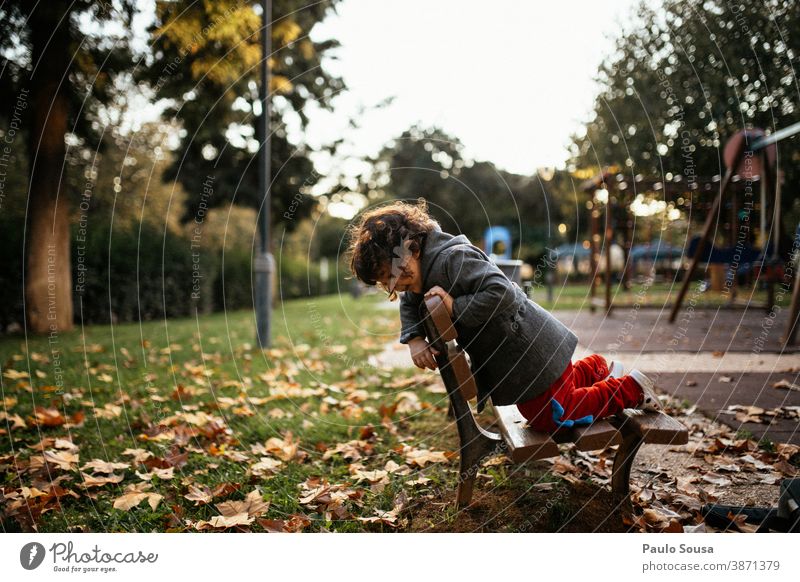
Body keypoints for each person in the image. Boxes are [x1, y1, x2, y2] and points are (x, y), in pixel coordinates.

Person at [346, 200, 662, 433]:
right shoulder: (418, 271)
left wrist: (456, 308)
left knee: (552, 415)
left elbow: (502, 291)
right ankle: (597, 369)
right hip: (524, 358)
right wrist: (414, 338)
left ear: (411, 248)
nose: (400, 286)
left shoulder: (453, 258)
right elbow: (410, 301)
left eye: (397, 276)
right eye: (389, 283)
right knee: (545, 404)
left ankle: (631, 389)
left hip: (530, 349)